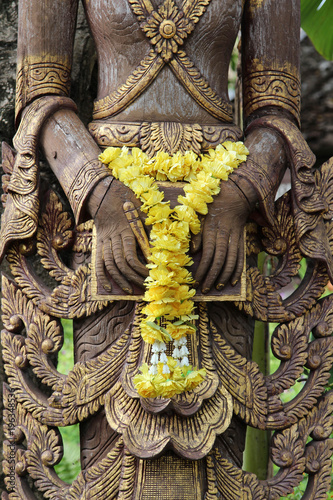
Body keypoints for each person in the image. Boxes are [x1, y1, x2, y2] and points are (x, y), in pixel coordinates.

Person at [3, 0, 330, 497]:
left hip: (221, 220)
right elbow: (40, 96)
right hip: (111, 216)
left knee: (216, 433)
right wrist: (97, 191)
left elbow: (277, 112)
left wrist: (239, 194)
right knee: (114, 440)